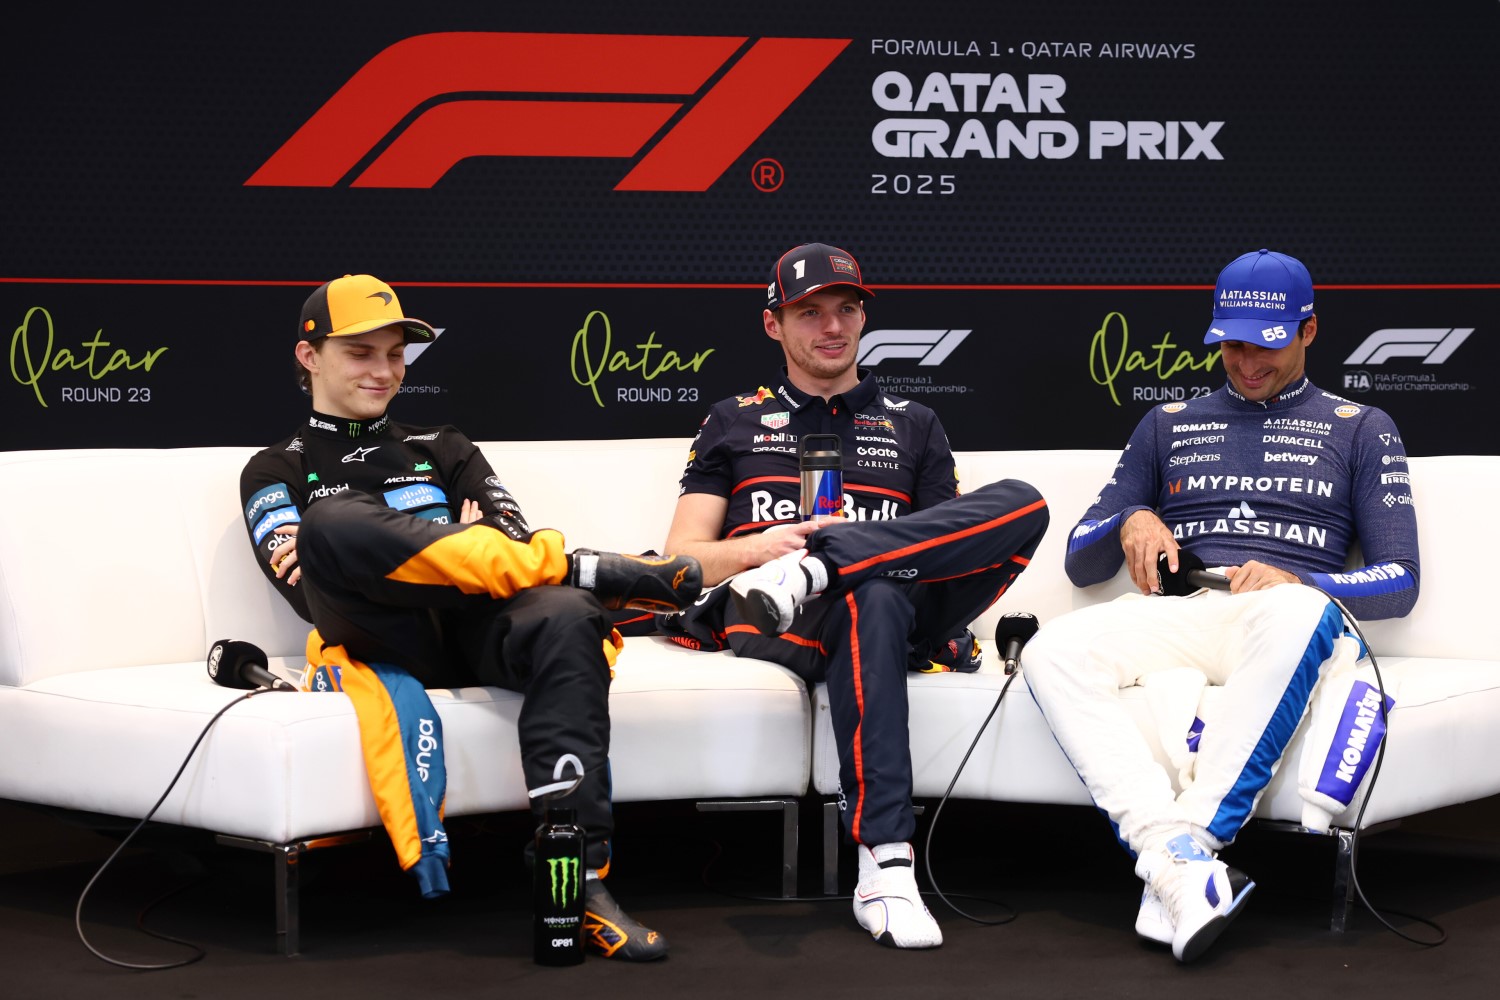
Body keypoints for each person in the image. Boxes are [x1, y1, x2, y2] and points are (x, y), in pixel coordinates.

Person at [239, 273, 704, 962]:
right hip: (379, 636)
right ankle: (583, 564)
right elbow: (309, 584)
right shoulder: (276, 468)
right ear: (310, 358)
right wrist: (457, 549)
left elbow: (511, 547)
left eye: (396, 354)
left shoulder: (443, 443)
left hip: (480, 627)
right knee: (330, 527)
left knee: (569, 613)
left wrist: (440, 560)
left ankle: (579, 878)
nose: (385, 370)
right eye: (361, 353)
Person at [1022, 249, 1420, 962]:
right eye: (1232, 344)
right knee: (1054, 649)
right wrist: (1131, 519)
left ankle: (1195, 839)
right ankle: (1172, 858)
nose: (1247, 362)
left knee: (1294, 616)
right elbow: (1081, 560)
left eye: (1266, 344)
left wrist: (1305, 583)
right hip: (1184, 608)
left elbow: (1398, 580)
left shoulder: (1361, 425)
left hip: (1288, 618)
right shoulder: (1168, 422)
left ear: (1308, 330)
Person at [660, 243, 1050, 949]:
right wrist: (768, 550)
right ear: (773, 325)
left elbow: (952, 548)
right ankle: (886, 864)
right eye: (809, 313)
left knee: (1024, 504)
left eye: (846, 309)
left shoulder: (916, 423)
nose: (832, 327)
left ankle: (827, 566)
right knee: (870, 595)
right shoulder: (734, 419)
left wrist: (835, 557)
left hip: (899, 608)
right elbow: (682, 556)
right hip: (774, 614)